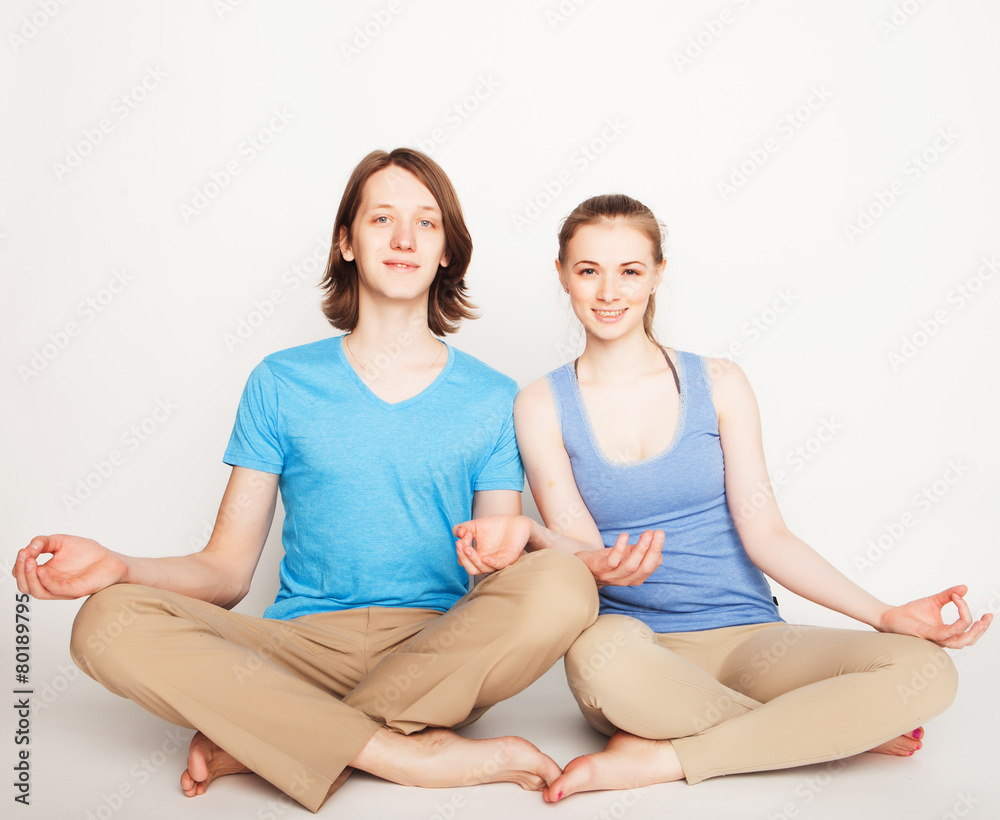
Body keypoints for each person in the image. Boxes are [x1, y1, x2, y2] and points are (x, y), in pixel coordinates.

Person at [12, 148, 602, 813]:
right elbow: (226, 573)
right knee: (105, 620)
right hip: (297, 649)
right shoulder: (280, 382)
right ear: (347, 242)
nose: (404, 239)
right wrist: (118, 565)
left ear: (446, 253)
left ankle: (279, 736)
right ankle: (401, 752)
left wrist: (509, 549)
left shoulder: (494, 398)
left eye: (426, 224)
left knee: (561, 580)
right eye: (382, 219)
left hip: (438, 653)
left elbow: (495, 583)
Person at [451, 193, 991, 804]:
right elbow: (583, 549)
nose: (609, 291)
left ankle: (662, 759)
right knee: (598, 661)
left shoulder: (721, 382)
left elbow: (768, 535)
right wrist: (543, 540)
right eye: (588, 270)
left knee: (926, 673)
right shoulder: (541, 404)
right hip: (636, 650)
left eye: (629, 270)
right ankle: (820, 732)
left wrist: (885, 616)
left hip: (752, 640)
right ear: (562, 276)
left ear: (657, 274)